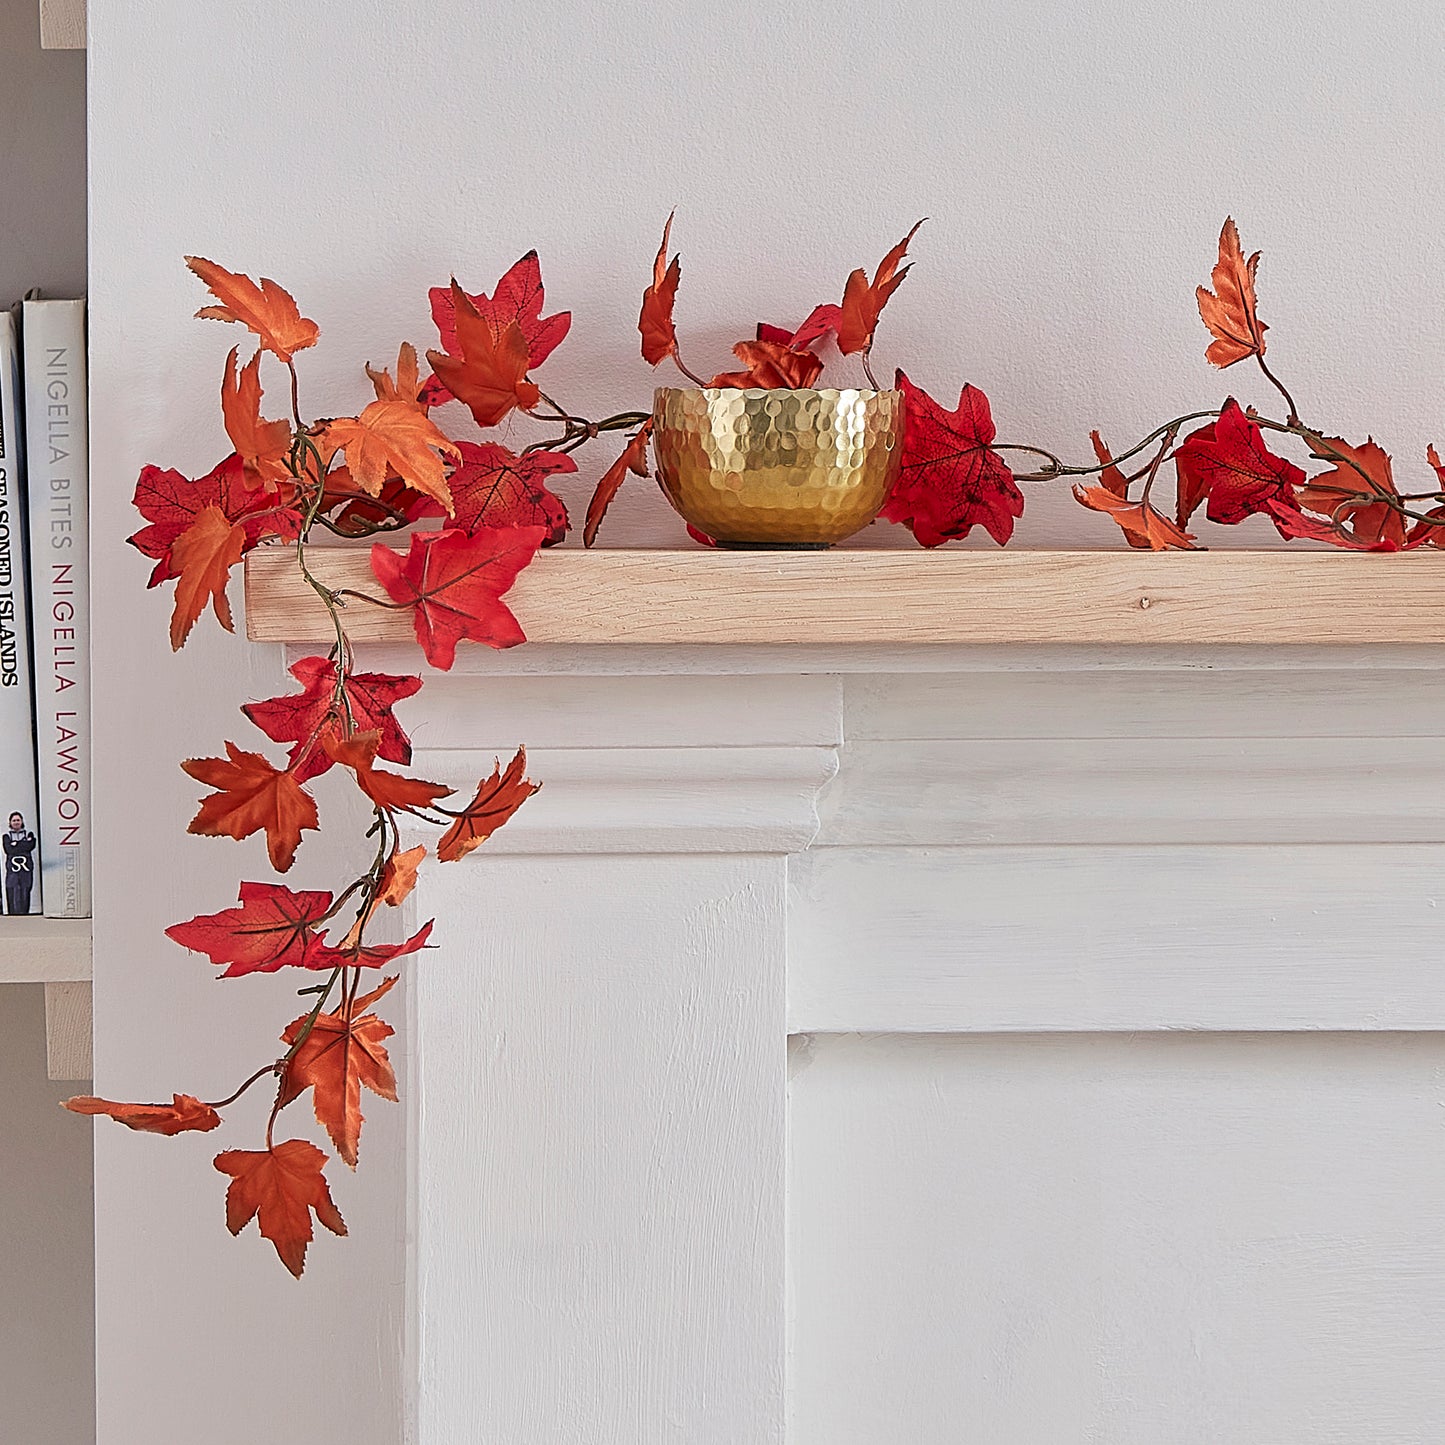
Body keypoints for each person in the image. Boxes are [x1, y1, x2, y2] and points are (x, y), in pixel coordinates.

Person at [4, 811, 36, 914]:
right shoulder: (6, 836)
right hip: (12, 869)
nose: (16, 822)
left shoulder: (29, 834)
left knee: (25, 890)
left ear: (22, 821)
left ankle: (24, 913)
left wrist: (16, 844)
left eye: (18, 820)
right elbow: (9, 849)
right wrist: (22, 844)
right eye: (14, 820)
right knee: (13, 890)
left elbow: (30, 846)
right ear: (10, 822)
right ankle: (13, 914)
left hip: (26, 869)